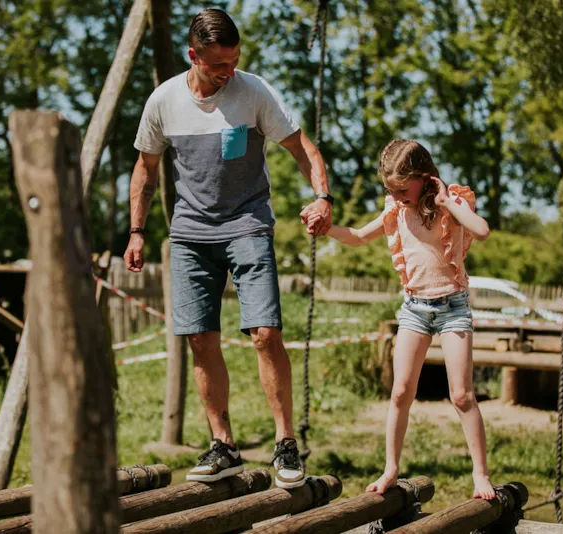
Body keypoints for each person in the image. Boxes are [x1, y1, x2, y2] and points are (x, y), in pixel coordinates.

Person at [124, 8, 333, 489]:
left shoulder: (254, 91)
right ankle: (224, 444)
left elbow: (303, 148)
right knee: (200, 338)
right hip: (191, 233)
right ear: (193, 55)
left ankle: (285, 445)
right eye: (218, 64)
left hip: (247, 223)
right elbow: (145, 169)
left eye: (235, 60)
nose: (229, 71)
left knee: (264, 332)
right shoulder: (164, 101)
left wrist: (322, 198)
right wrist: (136, 231)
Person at [302, 139, 495, 499]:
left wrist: (446, 201)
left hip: (452, 306)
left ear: (425, 178)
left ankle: (480, 474)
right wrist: (327, 229)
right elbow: (359, 236)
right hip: (414, 309)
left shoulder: (450, 205)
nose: (397, 195)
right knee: (401, 391)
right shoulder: (396, 210)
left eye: (403, 189)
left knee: (462, 394)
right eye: (391, 189)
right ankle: (391, 468)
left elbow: (482, 230)